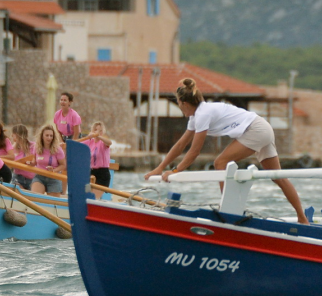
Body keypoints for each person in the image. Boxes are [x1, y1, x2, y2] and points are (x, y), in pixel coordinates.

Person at [145, 78, 309, 223]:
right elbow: (180, 145)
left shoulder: (202, 114)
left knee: (220, 162)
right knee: (277, 177)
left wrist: (175, 170)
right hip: (262, 127)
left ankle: (228, 210)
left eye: (179, 105)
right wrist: (160, 167)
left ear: (184, 103)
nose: (181, 109)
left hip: (256, 130)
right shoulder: (197, 116)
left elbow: (194, 151)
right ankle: (302, 219)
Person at [31, 124, 66, 194]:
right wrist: (30, 163)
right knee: (35, 197)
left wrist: (54, 170)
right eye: (47, 135)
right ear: (42, 136)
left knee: (53, 203)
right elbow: (34, 162)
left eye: (51, 136)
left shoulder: (58, 149)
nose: (49, 138)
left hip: (54, 177)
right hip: (39, 176)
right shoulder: (37, 147)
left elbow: (63, 165)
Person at [82, 121, 113, 188]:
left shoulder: (103, 142)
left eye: (100, 130)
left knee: (95, 196)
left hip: (103, 173)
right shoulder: (89, 141)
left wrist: (98, 136)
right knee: (87, 193)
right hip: (91, 172)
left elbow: (109, 143)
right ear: (92, 131)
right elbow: (77, 145)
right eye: (96, 130)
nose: (98, 132)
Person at [8, 124, 36, 190]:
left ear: (18, 135)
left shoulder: (33, 146)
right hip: (18, 177)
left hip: (31, 178)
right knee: (18, 191)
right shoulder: (13, 148)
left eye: (13, 134)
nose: (12, 136)